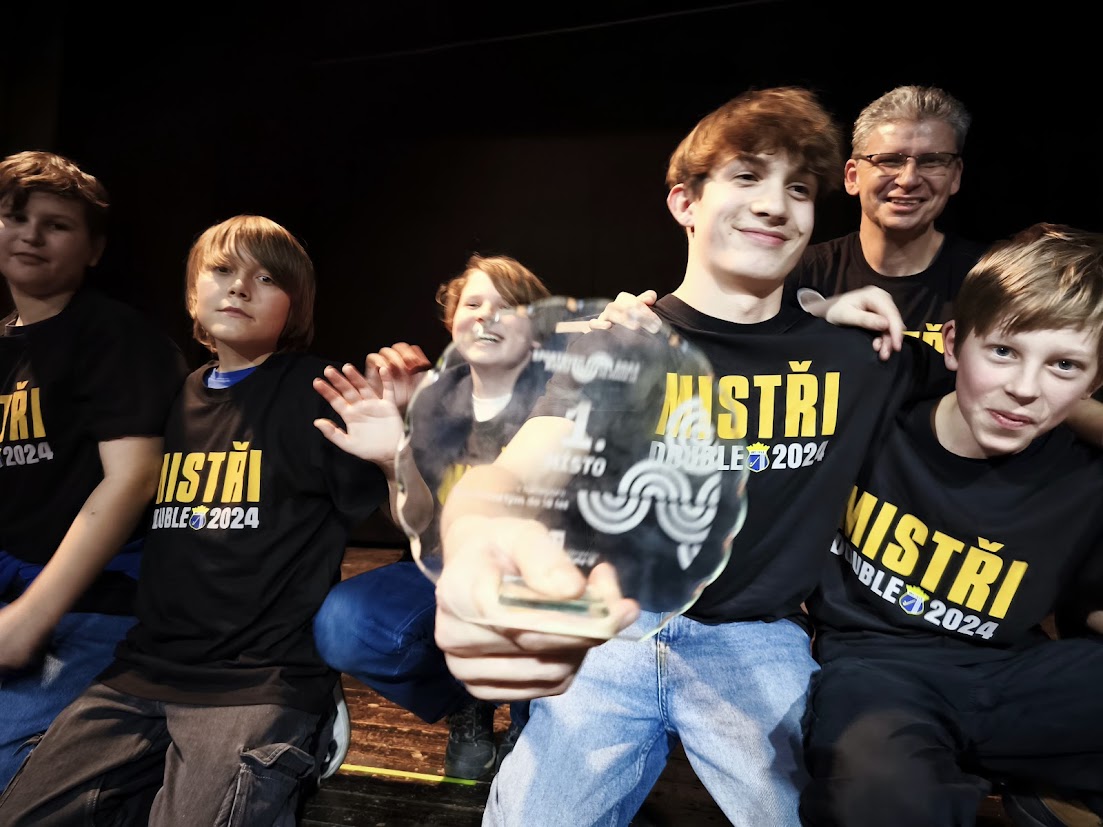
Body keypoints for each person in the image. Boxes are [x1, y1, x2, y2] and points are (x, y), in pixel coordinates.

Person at [429, 86, 953, 826]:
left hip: (756, 639)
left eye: (798, 189)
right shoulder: (625, 341)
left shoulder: (860, 355)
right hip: (614, 632)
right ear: (684, 201)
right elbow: (523, 463)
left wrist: (823, 309)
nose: (774, 205)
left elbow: (1015, 395)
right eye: (746, 176)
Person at [0, 214, 401, 823]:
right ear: (192, 295)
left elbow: (405, 520)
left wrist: (397, 459)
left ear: (294, 308)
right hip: (145, 668)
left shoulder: (315, 391)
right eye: (222, 270)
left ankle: (310, 728)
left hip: (257, 679)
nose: (239, 286)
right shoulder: (178, 397)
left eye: (266, 278)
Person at [799, 223, 1103, 827]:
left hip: (1014, 671)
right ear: (953, 343)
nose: (1023, 389)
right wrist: (822, 310)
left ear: (1095, 384)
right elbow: (760, 338)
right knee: (879, 794)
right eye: (1003, 352)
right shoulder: (878, 411)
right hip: (877, 669)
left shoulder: (1084, 479)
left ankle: (1047, 794)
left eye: (1064, 365)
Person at [311, 253, 551, 780]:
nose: (487, 316)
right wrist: (393, 449)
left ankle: (534, 723)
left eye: (508, 306)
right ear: (451, 321)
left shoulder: (559, 397)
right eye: (473, 304)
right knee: (344, 622)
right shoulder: (432, 401)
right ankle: (467, 700)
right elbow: (413, 525)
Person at [0, 150, 186, 790]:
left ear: (94, 249)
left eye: (56, 225)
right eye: (15, 218)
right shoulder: (5, 343)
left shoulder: (114, 338)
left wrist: (31, 616)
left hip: (98, 598)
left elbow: (134, 477)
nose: (30, 235)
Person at [788, 84, 988, 354]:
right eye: (890, 160)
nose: (909, 179)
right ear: (852, 177)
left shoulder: (990, 280)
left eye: (931, 161)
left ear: (955, 176)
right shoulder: (797, 273)